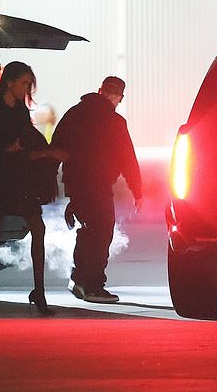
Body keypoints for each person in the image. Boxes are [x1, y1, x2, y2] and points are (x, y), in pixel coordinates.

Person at [0, 61, 66, 316]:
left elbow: (27, 137)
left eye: (29, 84)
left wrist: (46, 151)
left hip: (17, 179)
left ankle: (39, 292)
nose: (26, 88)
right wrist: (9, 149)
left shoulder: (19, 110)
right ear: (9, 82)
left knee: (37, 229)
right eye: (23, 83)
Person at [52, 76, 143, 303]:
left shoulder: (75, 113)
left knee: (89, 229)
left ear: (100, 90)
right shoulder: (115, 122)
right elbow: (127, 158)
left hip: (77, 183)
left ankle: (80, 279)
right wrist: (137, 190)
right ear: (118, 97)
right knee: (102, 232)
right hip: (98, 185)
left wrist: (52, 181)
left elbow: (57, 146)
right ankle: (92, 285)